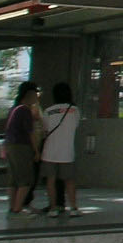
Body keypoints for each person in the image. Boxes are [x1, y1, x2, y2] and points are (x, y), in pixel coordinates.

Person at [39, 82, 82, 216]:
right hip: (67, 151)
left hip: (49, 151)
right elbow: (76, 126)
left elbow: (45, 130)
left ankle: (53, 208)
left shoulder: (48, 111)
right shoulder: (75, 110)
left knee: (51, 181)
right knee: (69, 180)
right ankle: (74, 208)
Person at [4, 82, 41, 215]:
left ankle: (12, 207)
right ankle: (18, 208)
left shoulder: (14, 108)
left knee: (13, 179)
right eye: (35, 94)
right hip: (21, 146)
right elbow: (30, 132)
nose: (37, 97)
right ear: (29, 95)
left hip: (10, 145)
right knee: (25, 179)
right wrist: (36, 151)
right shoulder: (25, 110)